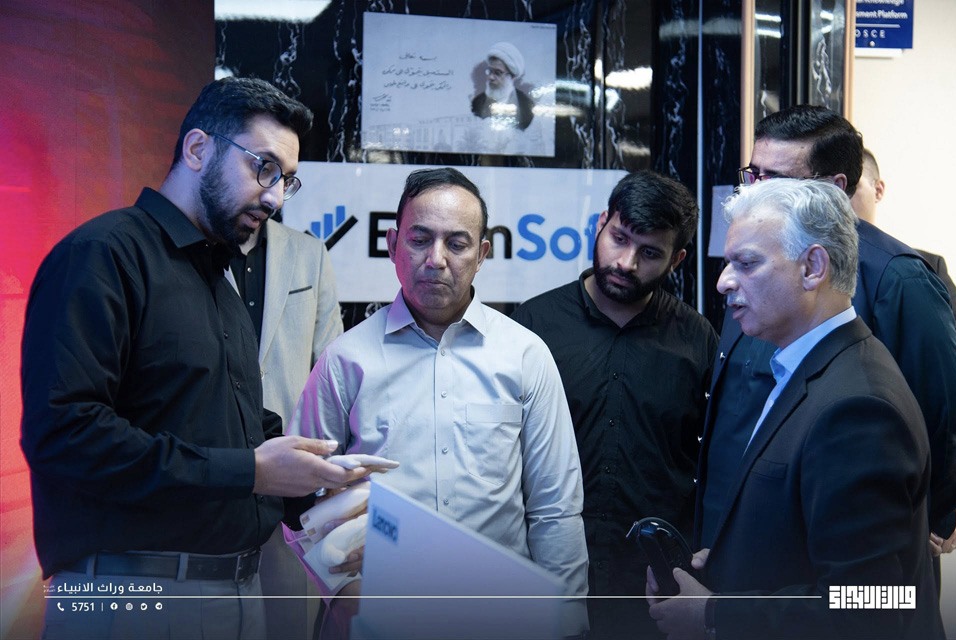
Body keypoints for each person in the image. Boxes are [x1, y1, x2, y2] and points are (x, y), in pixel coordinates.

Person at [20, 76, 371, 640]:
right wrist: (252, 471)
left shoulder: (217, 281)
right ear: (198, 149)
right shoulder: (102, 255)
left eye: (286, 180)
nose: (275, 198)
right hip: (130, 595)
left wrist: (321, 483)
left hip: (237, 591)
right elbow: (64, 435)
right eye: (264, 168)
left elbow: (231, 426)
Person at [288, 167, 589, 636]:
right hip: (379, 615)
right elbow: (299, 496)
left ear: (482, 254)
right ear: (392, 245)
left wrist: (565, 622)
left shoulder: (525, 355)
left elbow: (555, 509)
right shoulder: (345, 360)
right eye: (420, 239)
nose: (436, 259)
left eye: (457, 243)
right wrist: (343, 593)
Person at [647, 178, 944, 639]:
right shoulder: (810, 367)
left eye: (747, 263)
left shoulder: (857, 409)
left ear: (813, 267)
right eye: (728, 263)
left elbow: (872, 606)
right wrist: (728, 564)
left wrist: (713, 614)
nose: (724, 282)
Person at [697, 106, 956, 567]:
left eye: (775, 181)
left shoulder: (892, 288)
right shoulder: (761, 271)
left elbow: (872, 598)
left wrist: (932, 515)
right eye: (752, 176)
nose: (755, 191)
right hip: (746, 546)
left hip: (812, 556)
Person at [512, 170, 717, 639]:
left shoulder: (698, 340)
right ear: (601, 223)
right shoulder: (533, 325)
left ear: (677, 259)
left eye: (650, 253)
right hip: (544, 572)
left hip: (652, 586)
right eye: (619, 238)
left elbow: (711, 464)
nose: (626, 262)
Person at [227, 219, 344, 640]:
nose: (273, 193)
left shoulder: (310, 254)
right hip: (214, 475)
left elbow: (332, 370)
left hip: (294, 486)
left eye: (283, 183)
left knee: (289, 622)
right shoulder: (190, 254)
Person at [852, 148, 956, 337]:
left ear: (878, 190)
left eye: (851, 186)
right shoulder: (811, 269)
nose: (839, 198)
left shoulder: (926, 267)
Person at [471, 42, 535, 131]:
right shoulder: (477, 104)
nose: (491, 77)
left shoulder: (526, 106)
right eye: (489, 71)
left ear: (512, 76)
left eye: (497, 73)